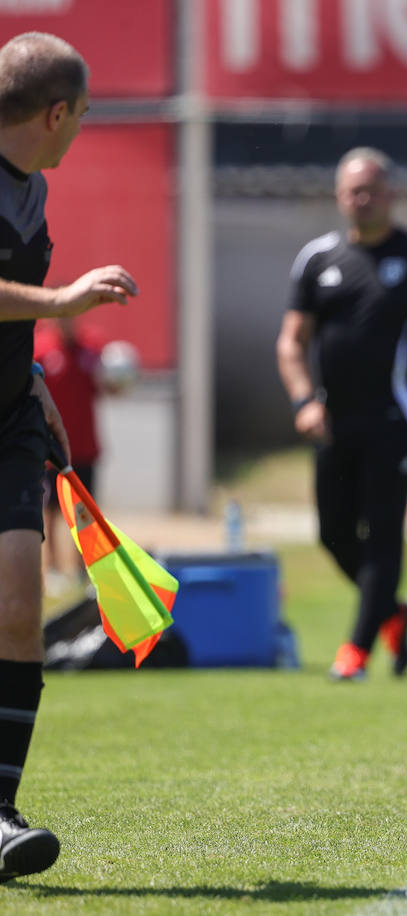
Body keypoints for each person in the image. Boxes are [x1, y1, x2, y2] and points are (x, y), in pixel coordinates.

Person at [0, 31, 140, 882]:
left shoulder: (32, 189)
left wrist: (36, 382)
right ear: (56, 112)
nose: (81, 128)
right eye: (80, 115)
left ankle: (1, 812)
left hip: (10, 416)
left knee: (19, 605)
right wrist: (61, 299)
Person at [276, 147, 407, 681]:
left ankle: (356, 651)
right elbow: (292, 341)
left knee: (384, 532)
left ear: (390, 194)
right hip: (333, 423)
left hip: (398, 423)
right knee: (333, 533)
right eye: (351, 191)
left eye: (370, 190)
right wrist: (302, 401)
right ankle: (393, 612)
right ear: (339, 197)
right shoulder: (318, 259)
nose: (360, 200)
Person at [32, 317, 115, 594]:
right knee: (52, 511)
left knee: (85, 513)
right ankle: (54, 570)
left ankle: (83, 570)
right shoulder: (41, 349)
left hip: (85, 447)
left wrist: (116, 382)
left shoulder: (92, 350)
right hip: (51, 448)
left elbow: (105, 387)